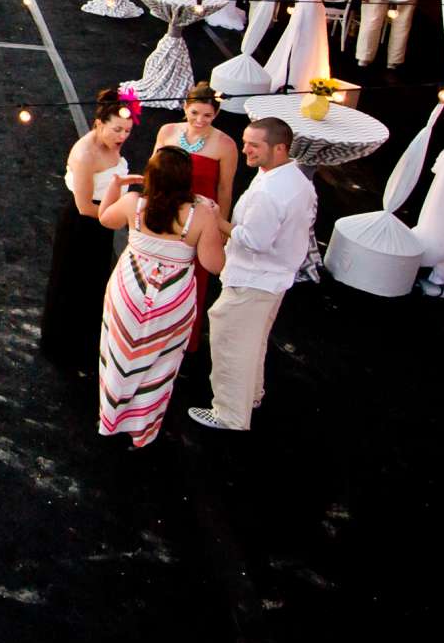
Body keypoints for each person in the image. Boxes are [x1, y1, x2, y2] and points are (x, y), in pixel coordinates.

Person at [189, 118, 313, 432]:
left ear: (280, 148)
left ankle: (229, 413)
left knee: (231, 343)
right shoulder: (295, 179)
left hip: (253, 279)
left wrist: (217, 220)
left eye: (254, 145)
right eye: (245, 142)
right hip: (273, 278)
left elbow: (255, 241)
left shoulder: (270, 192)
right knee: (253, 342)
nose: (246, 150)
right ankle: (251, 395)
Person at [97, 148, 225, 447]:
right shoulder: (201, 214)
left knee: (119, 352)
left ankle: (112, 416)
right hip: (172, 298)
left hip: (128, 290)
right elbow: (215, 265)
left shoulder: (133, 203)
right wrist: (218, 223)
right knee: (161, 362)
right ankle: (143, 427)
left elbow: (105, 218)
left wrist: (115, 186)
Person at [39, 87, 140, 368]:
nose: (123, 137)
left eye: (128, 131)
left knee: (94, 282)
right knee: (73, 283)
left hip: (103, 222)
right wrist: (125, 216)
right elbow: (84, 206)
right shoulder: (85, 154)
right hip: (83, 226)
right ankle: (64, 344)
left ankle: (86, 339)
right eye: (117, 130)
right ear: (98, 124)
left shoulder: (110, 147)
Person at [154, 83, 237, 212]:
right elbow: (154, 172)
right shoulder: (167, 131)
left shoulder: (226, 145)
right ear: (185, 107)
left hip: (201, 213)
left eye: (207, 115)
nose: (199, 120)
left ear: (216, 113)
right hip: (164, 207)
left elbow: (224, 189)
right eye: (194, 112)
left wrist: (220, 225)